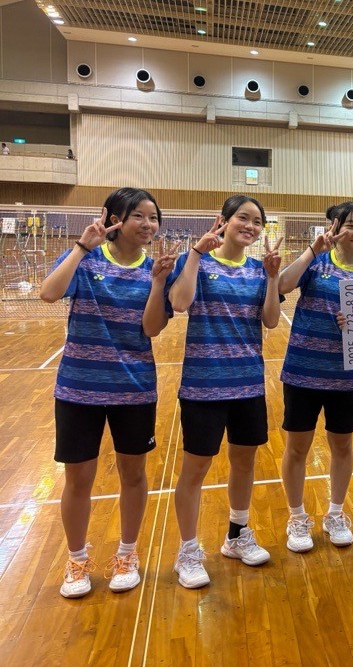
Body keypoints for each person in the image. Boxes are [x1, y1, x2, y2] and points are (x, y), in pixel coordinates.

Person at [39, 189, 173, 598]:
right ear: (115, 219)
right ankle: (77, 559)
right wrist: (82, 246)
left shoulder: (154, 268)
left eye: (153, 217)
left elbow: (152, 329)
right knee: (78, 479)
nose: (148, 224)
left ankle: (127, 554)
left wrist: (158, 283)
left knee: (133, 476)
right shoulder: (87, 259)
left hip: (134, 389)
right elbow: (48, 293)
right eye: (139, 216)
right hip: (79, 389)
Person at [167, 195, 282, 588]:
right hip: (203, 385)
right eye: (242, 218)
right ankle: (188, 551)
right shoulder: (197, 261)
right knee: (195, 469)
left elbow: (270, 321)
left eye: (257, 221)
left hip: (248, 383)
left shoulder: (258, 270)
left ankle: (236, 535)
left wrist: (271, 277)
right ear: (224, 221)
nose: (250, 226)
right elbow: (179, 303)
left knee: (244, 463)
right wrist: (196, 253)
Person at [277, 202, 353, 553]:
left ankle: (335, 513)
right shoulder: (317, 262)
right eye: (350, 225)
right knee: (297, 448)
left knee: (342, 446)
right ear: (335, 228)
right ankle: (297, 517)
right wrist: (313, 250)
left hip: (345, 377)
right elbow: (282, 285)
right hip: (303, 373)